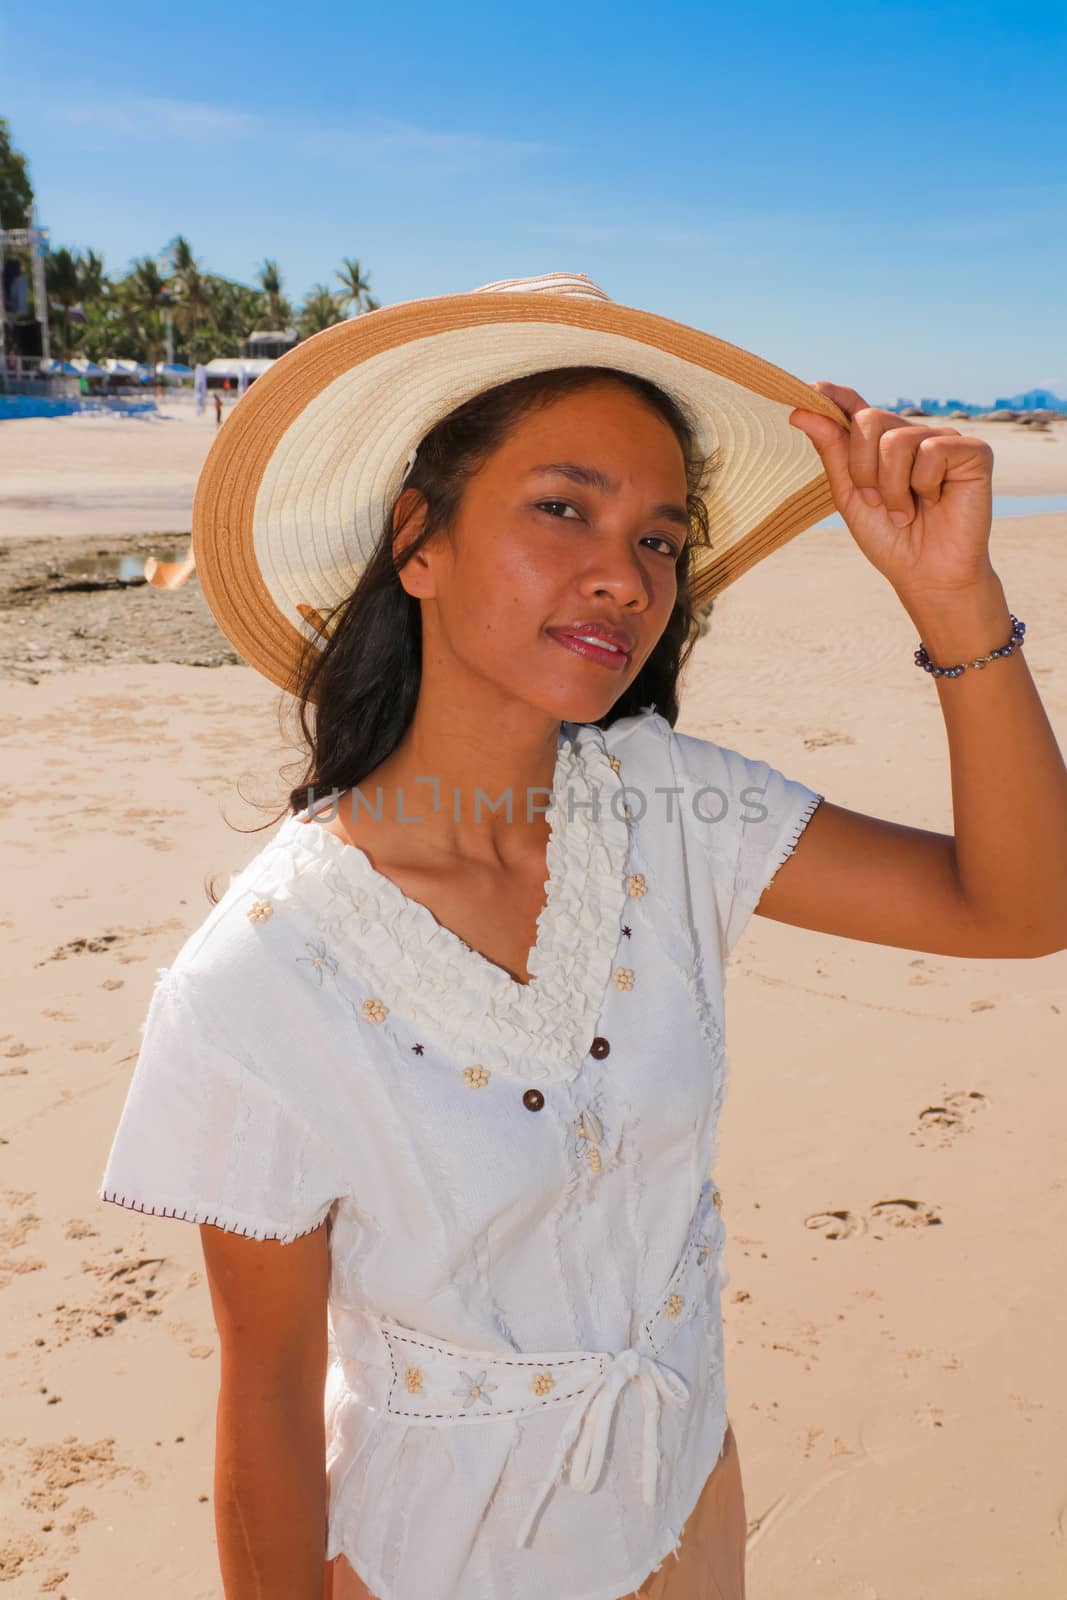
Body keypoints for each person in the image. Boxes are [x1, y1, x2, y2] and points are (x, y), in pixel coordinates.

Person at [97, 272, 1066, 1600]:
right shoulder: (266, 973)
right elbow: (263, 1396)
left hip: (683, 1506)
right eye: (563, 509)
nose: (624, 574)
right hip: (428, 1563)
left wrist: (954, 599)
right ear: (417, 542)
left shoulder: (673, 808)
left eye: (662, 539)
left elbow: (1022, 910)